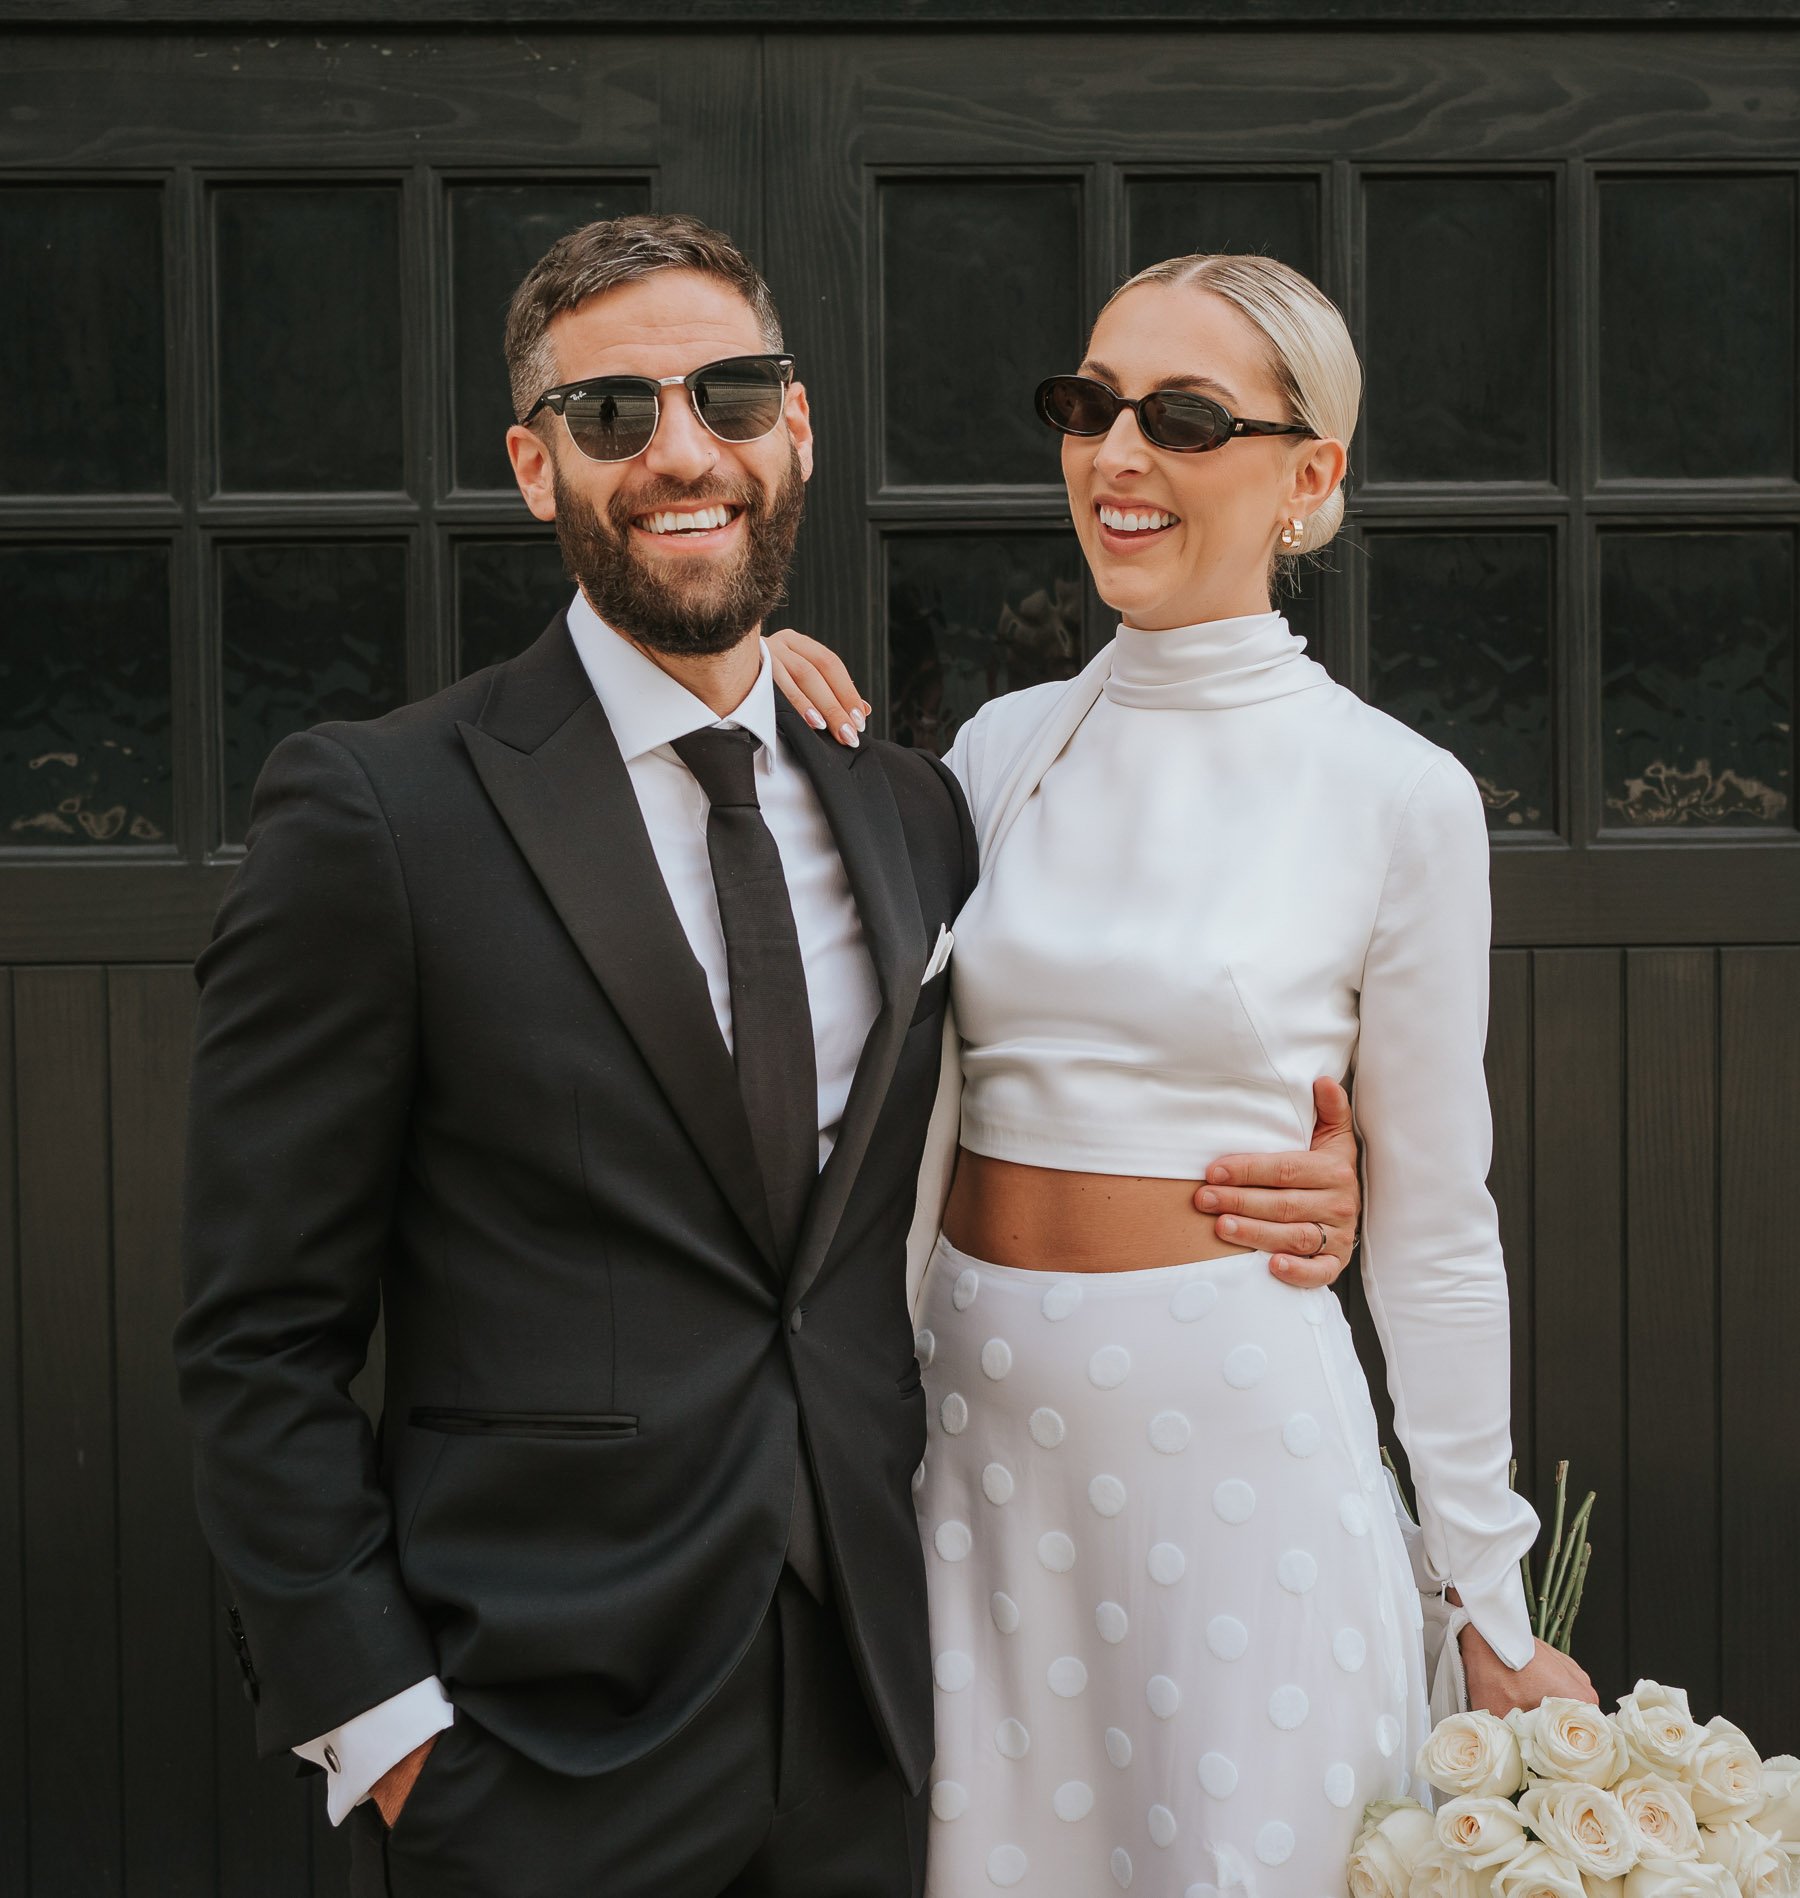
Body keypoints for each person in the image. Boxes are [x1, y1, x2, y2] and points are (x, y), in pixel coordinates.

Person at [173, 216, 1358, 1898]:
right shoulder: (378, 811)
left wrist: (1325, 1168)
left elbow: (1066, 1065)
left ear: (795, 431)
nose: (681, 451)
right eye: (611, 414)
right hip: (533, 1751)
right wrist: (379, 1724)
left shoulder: (913, 804)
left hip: (892, 1719)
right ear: (533, 467)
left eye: (730, 397)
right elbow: (256, 1336)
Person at [768, 253, 1595, 1898]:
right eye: (1089, 407)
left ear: (1310, 477)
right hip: (979, 1454)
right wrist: (742, 687)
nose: (1116, 454)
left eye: (1183, 417)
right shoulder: (998, 750)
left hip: (1239, 1456)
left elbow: (1433, 1222)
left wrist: (1487, 1595)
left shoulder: (1397, 795)